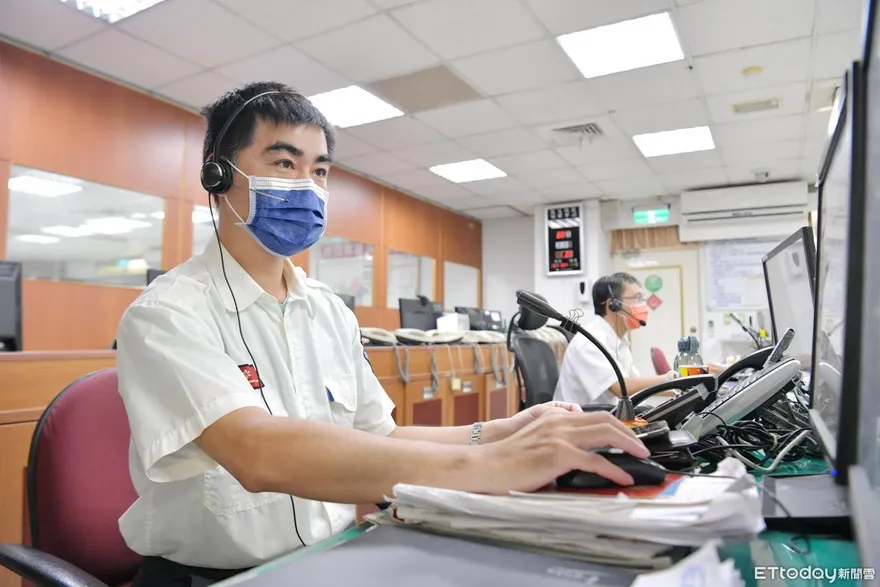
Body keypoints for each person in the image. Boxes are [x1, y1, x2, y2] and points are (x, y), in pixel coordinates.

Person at [116, 82, 649, 586]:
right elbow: (257, 453)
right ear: (218, 175)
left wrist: (501, 431)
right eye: (284, 163)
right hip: (214, 579)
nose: (307, 185)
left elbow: (382, 437)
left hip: (327, 560)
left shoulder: (327, 311)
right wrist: (486, 465)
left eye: (319, 171)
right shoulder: (167, 315)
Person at [554, 272, 723, 408]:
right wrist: (678, 377)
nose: (643, 305)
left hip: (607, 417)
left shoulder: (619, 340)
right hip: (583, 423)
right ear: (613, 304)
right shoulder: (590, 340)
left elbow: (638, 386)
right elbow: (622, 388)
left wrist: (690, 385)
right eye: (637, 299)